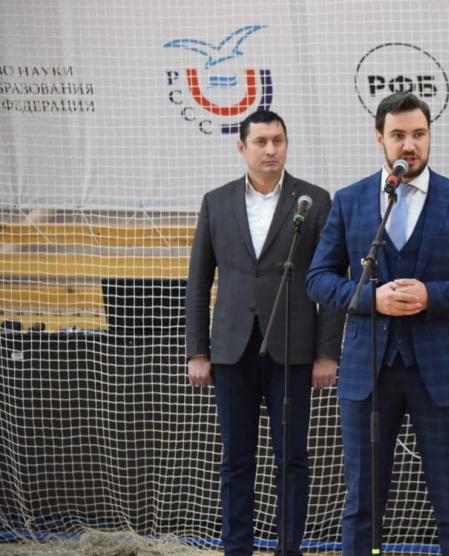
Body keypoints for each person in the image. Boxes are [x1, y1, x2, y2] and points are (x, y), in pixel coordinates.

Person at [306, 92, 449, 555]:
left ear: (430, 136)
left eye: (419, 134)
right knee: (362, 504)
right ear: (380, 138)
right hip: (367, 375)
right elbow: (318, 279)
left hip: (443, 374)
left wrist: (432, 296)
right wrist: (369, 298)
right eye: (398, 135)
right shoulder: (351, 201)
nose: (409, 145)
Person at [185, 110, 344, 556]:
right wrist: (197, 351)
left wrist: (327, 353)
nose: (271, 150)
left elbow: (332, 277)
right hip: (231, 351)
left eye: (278, 141)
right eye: (261, 142)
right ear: (242, 147)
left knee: (292, 459)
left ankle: (288, 549)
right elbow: (198, 281)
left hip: (293, 351)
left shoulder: (314, 200)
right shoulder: (216, 202)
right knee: (236, 460)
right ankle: (237, 548)